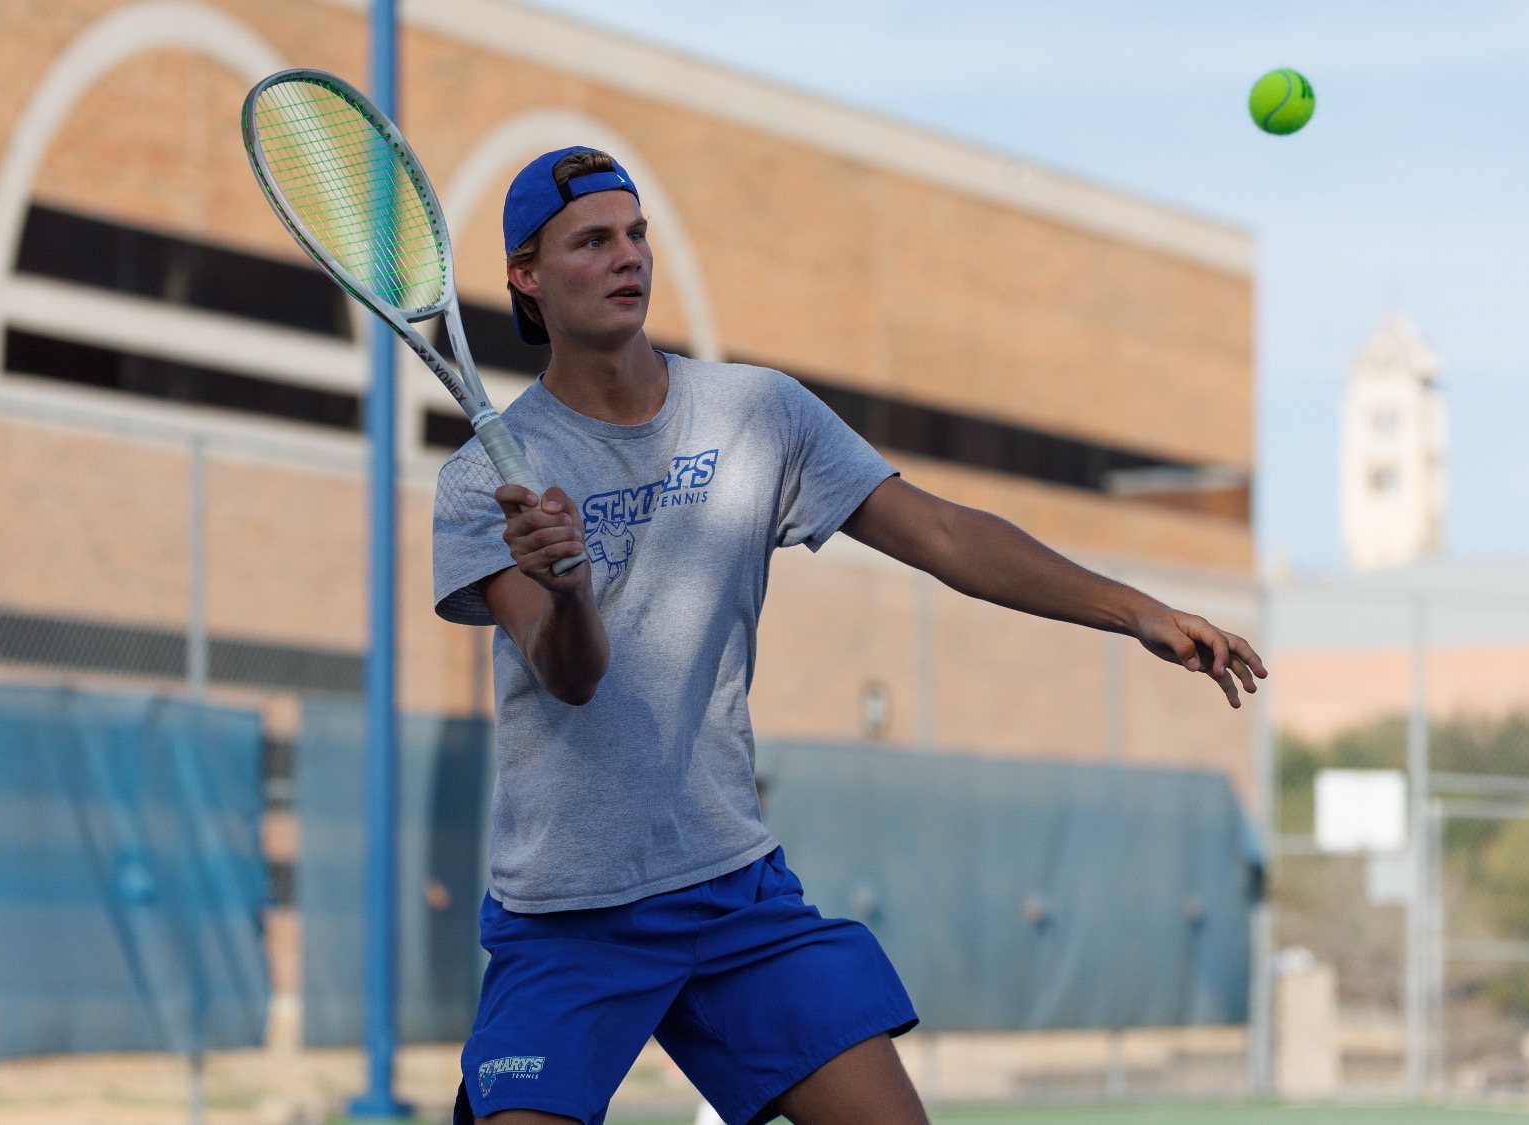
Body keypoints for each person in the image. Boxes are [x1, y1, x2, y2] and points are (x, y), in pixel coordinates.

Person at [433, 147, 1266, 1125]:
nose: (627, 258)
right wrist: (567, 586)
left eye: (636, 234)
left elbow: (945, 533)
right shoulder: (480, 483)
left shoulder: (758, 414)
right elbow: (568, 675)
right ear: (526, 278)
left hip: (729, 895)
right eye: (591, 242)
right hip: (566, 919)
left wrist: (1136, 611)